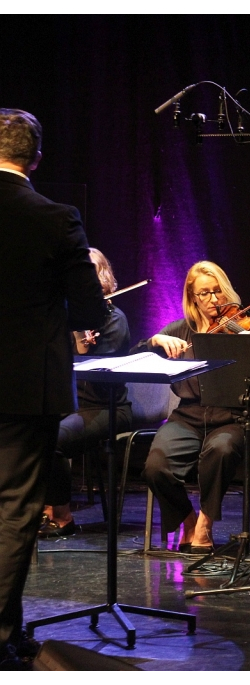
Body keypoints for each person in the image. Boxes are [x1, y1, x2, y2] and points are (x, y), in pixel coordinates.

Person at [0, 108, 106, 668]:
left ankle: (9, 628)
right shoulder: (56, 217)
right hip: (24, 386)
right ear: (35, 157)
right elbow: (89, 307)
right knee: (15, 510)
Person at [136, 261, 250, 554]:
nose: (213, 300)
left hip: (231, 416)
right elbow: (138, 354)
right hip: (188, 416)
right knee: (156, 467)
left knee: (221, 450)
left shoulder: (238, 328)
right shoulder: (180, 330)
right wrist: (155, 340)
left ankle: (205, 522)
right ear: (192, 298)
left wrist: (249, 347)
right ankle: (187, 519)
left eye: (217, 291)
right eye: (204, 293)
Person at [40, 248, 132, 538]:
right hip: (70, 403)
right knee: (27, 431)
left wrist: (84, 348)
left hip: (105, 407)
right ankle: (38, 507)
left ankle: (63, 516)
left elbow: (99, 371)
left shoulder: (113, 319)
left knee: (51, 439)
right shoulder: (66, 317)